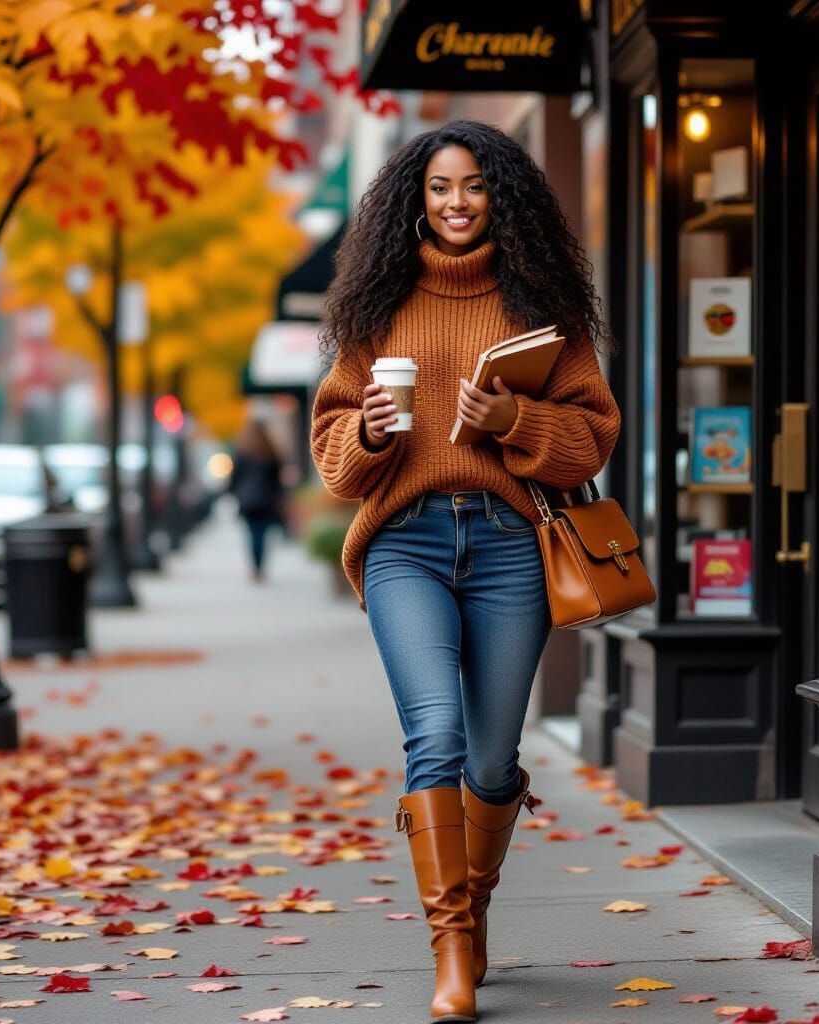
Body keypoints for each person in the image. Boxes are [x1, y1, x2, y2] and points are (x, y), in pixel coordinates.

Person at [311, 120, 620, 1023]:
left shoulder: (541, 307)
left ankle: (474, 912)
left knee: (491, 758)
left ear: (502, 196)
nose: (456, 203)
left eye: (475, 186)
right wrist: (368, 428)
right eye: (440, 187)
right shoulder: (375, 307)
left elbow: (591, 437)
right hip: (403, 540)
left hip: (508, 544)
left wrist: (514, 420)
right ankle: (449, 946)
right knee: (435, 734)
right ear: (416, 197)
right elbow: (334, 460)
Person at [229, 418, 284, 581]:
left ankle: (255, 567)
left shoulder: (241, 452)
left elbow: (234, 478)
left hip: (247, 501)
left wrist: (234, 493)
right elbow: (277, 480)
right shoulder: (271, 452)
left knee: (252, 534)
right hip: (267, 500)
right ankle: (260, 566)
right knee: (263, 534)